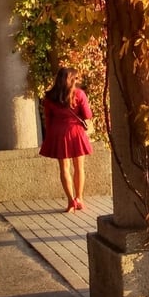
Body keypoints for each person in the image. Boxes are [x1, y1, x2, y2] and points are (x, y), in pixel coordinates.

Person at [39, 67, 93, 213]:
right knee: (79, 167)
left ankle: (70, 202)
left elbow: (48, 119)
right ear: (71, 80)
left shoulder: (49, 97)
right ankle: (79, 198)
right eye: (76, 78)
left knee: (64, 169)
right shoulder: (79, 94)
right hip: (76, 133)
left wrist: (50, 136)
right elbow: (87, 115)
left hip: (58, 133)